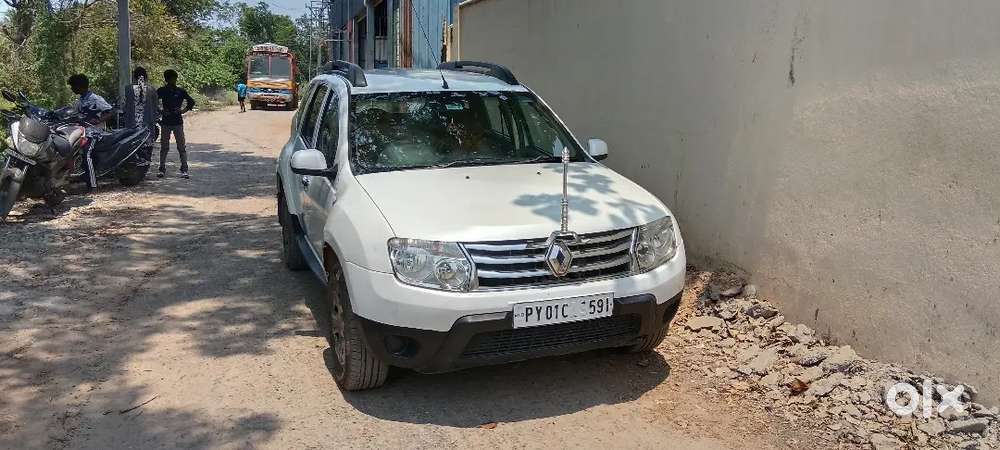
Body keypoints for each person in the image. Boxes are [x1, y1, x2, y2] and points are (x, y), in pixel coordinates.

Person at [156, 69, 196, 179]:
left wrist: (182, 111)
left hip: (178, 121)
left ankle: (184, 169)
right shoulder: (162, 91)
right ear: (166, 79)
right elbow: (152, 101)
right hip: (166, 121)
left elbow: (191, 102)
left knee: (181, 147)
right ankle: (162, 168)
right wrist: (161, 111)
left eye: (174, 78)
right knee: (164, 147)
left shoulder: (180, 91)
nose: (173, 80)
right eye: (171, 78)